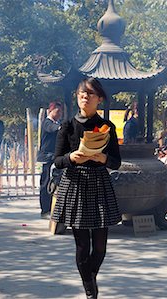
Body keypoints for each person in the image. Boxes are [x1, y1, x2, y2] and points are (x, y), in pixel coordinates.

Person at [52, 78, 121, 299]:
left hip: (99, 182)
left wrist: (103, 158)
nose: (85, 96)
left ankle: (89, 276)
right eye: (82, 92)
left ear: (99, 99)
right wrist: (71, 157)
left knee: (100, 246)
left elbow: (116, 162)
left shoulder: (107, 127)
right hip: (75, 183)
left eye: (90, 93)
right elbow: (57, 160)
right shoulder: (68, 126)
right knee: (82, 244)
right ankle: (90, 290)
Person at [37, 101, 63, 219]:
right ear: (50, 111)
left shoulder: (58, 123)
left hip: (56, 157)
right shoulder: (47, 123)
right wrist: (60, 127)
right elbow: (52, 128)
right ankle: (45, 210)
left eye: (60, 112)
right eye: (57, 111)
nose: (59, 114)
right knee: (46, 183)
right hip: (47, 157)